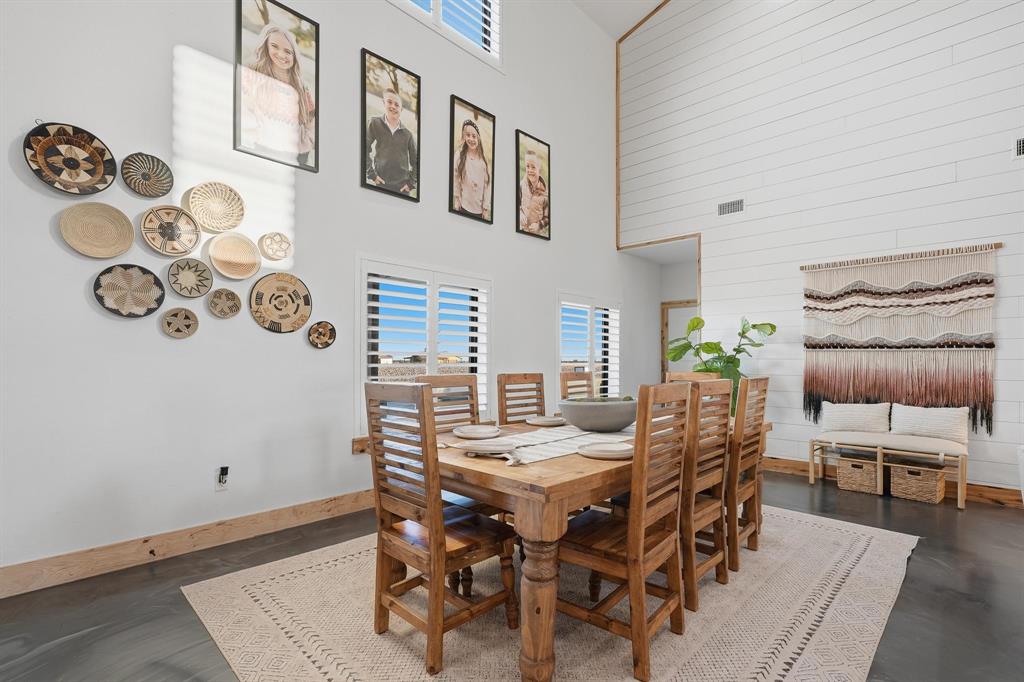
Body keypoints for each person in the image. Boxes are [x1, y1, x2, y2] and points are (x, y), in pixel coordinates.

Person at [240, 23, 316, 167]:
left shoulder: (301, 86)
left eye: (288, 51)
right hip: (260, 151)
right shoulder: (252, 73)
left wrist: (306, 143)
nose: (282, 55)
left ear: (294, 56)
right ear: (266, 46)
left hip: (295, 157)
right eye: (275, 46)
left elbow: (311, 120)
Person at [365, 88, 418, 195]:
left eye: (397, 105)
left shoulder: (407, 134)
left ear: (401, 109)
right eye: (389, 102)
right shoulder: (374, 123)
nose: (393, 106)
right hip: (381, 183)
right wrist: (372, 175)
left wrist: (411, 183)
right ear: (384, 103)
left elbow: (416, 161)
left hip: (402, 187)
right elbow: (363, 149)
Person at [452, 119, 491, 220]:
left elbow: (487, 186)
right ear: (464, 136)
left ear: (479, 138)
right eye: (467, 135)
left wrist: (486, 208)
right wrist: (457, 198)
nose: (471, 139)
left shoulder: (483, 162)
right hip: (463, 205)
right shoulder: (460, 156)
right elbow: (455, 177)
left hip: (478, 210)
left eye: (474, 136)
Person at [518, 150, 549, 236]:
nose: (530, 170)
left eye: (533, 167)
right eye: (527, 166)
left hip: (537, 236)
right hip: (521, 233)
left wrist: (539, 225)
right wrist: (520, 214)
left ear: (540, 169)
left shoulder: (545, 194)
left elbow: (547, 218)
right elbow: (517, 205)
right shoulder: (521, 185)